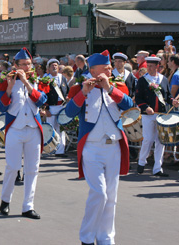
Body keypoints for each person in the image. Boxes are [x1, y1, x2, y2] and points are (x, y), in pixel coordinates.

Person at [65, 50, 134, 245]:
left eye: (110, 67)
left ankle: (106, 238)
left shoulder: (116, 86)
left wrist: (110, 89)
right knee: (99, 193)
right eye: (106, 67)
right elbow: (69, 113)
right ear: (93, 70)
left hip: (113, 147)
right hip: (92, 148)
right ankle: (86, 238)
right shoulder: (80, 87)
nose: (111, 69)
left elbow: (128, 104)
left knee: (111, 196)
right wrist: (84, 93)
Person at [0, 48, 47, 220]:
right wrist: (10, 88)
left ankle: (28, 206)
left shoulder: (38, 80)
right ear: (15, 65)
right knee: (12, 167)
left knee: (32, 169)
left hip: (33, 129)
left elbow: (41, 100)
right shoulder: (5, 81)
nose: (27, 67)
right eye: (23, 65)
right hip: (14, 129)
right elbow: (2, 107)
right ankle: (5, 200)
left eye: (29, 64)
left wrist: (27, 83)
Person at [136, 55, 170, 177]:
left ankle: (157, 168)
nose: (149, 68)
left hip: (161, 115)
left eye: (151, 66)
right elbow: (138, 97)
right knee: (148, 139)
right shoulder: (142, 80)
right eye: (148, 66)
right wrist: (145, 107)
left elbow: (168, 96)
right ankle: (141, 161)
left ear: (157, 67)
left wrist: (173, 101)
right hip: (147, 115)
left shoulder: (163, 79)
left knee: (160, 141)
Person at [43, 58, 68, 157]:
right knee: (51, 129)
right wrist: (46, 109)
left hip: (61, 107)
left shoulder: (63, 78)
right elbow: (43, 95)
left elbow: (68, 90)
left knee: (61, 129)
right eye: (52, 65)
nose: (54, 67)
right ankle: (50, 149)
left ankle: (60, 151)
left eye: (56, 65)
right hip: (51, 108)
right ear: (48, 68)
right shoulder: (45, 79)